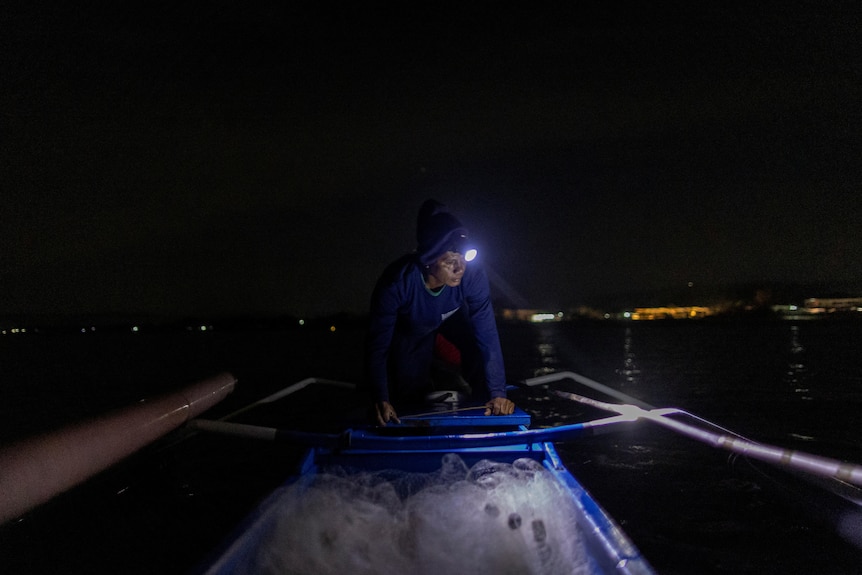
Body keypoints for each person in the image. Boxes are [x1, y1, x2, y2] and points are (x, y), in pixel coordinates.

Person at [364, 199, 515, 426]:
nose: (460, 268)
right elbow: (378, 345)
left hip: (451, 318)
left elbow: (487, 334)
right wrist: (380, 397)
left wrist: (498, 391)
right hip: (412, 327)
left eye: (464, 257)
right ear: (429, 260)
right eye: (450, 261)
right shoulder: (396, 283)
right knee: (410, 386)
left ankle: (486, 404)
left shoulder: (471, 274)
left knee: (477, 345)